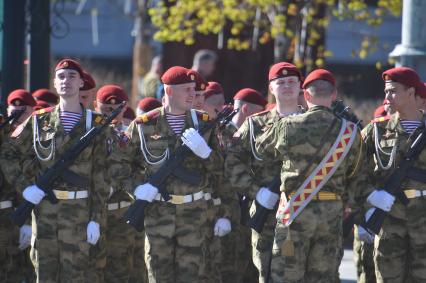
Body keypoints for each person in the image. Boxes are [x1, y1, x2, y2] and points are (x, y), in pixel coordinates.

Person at [0, 59, 111, 283]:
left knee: (76, 277)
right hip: (45, 214)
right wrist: (25, 186)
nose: (66, 81)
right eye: (61, 77)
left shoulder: (96, 123)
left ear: (81, 83)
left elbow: (101, 174)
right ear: (54, 83)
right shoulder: (39, 120)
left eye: (71, 76)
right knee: (44, 275)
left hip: (79, 213)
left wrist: (96, 219)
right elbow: (8, 153)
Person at [255, 68, 369, 282]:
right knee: (323, 276)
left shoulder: (287, 126)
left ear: (305, 95)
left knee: (286, 275)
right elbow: (356, 173)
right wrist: (347, 203)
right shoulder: (351, 132)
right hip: (331, 214)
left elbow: (261, 150)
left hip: (294, 212)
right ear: (334, 95)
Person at [122, 66, 231, 282]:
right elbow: (118, 164)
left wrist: (206, 153)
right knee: (158, 275)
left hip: (194, 214)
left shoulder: (205, 124)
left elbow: (223, 172)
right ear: (168, 91)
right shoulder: (144, 125)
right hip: (158, 213)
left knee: (192, 276)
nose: (193, 94)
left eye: (193, 89)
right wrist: (136, 187)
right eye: (186, 90)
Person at [225, 62, 304, 283]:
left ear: (300, 87)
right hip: (266, 214)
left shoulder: (313, 123)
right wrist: (255, 191)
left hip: (304, 212)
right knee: (266, 273)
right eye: (281, 82)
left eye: (292, 82)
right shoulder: (255, 124)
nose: (287, 86)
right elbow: (233, 161)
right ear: (271, 88)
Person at [360, 67, 426, 283]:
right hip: (388, 219)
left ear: (411, 92)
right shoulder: (377, 130)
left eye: (394, 91)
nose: (387, 96)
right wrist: (370, 197)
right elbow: (353, 170)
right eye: (386, 91)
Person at [0, 89, 37, 283]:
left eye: (23, 110)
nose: (17, 113)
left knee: (18, 272)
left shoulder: (36, 138)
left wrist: (29, 222)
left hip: (14, 216)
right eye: (13, 108)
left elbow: (28, 181)